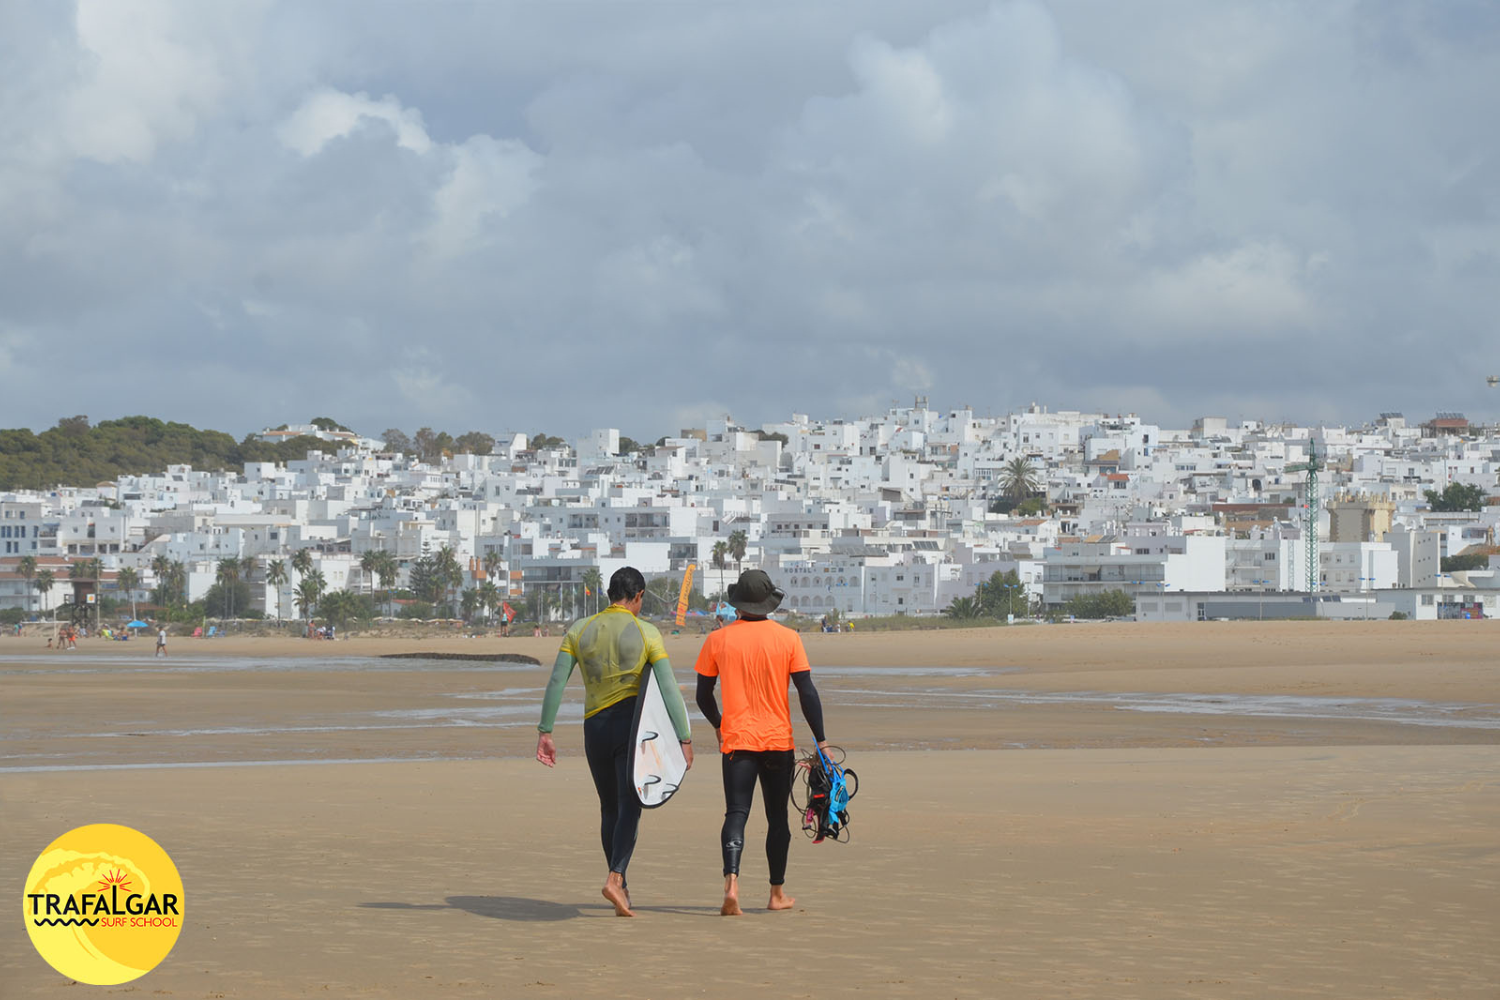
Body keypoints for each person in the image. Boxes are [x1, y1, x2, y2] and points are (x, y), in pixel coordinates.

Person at [536, 567, 694, 917]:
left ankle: (620, 884)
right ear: (638, 597)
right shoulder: (646, 631)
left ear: (610, 594)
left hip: (594, 728)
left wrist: (545, 732)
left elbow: (556, 682)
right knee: (631, 804)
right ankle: (615, 876)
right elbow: (668, 689)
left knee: (609, 807)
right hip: (630, 729)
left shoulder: (579, 630)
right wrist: (684, 737)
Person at [695, 568, 828, 916]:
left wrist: (719, 725)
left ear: (738, 601)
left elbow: (702, 694)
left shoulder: (718, 640)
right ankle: (776, 893)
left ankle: (732, 884)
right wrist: (822, 740)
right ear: (769, 603)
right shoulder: (788, 639)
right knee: (777, 818)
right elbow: (807, 692)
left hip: (738, 741)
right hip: (776, 742)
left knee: (736, 813)